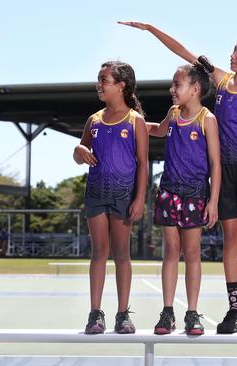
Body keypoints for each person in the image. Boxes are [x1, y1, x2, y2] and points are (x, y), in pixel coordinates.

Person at [119, 21, 237, 336]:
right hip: (224, 172)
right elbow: (184, 52)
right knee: (231, 239)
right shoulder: (220, 80)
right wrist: (152, 29)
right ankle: (235, 310)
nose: (233, 55)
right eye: (234, 51)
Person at [73, 61, 148, 334]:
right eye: (99, 79)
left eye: (104, 80)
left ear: (121, 85)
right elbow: (80, 153)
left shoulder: (135, 121)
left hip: (123, 196)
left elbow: (143, 163)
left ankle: (123, 313)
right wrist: (78, 149)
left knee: (121, 254)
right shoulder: (93, 120)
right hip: (95, 194)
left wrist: (140, 198)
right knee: (99, 254)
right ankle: (95, 314)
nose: (99, 84)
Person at [147, 63, 221, 335]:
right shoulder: (174, 114)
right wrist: (133, 122)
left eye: (177, 85)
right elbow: (158, 129)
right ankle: (167, 312)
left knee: (191, 253)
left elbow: (215, 164)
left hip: (195, 195)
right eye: (172, 85)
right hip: (168, 191)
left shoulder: (207, 119)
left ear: (196, 89)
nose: (172, 90)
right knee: (170, 252)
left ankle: (192, 312)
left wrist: (213, 201)